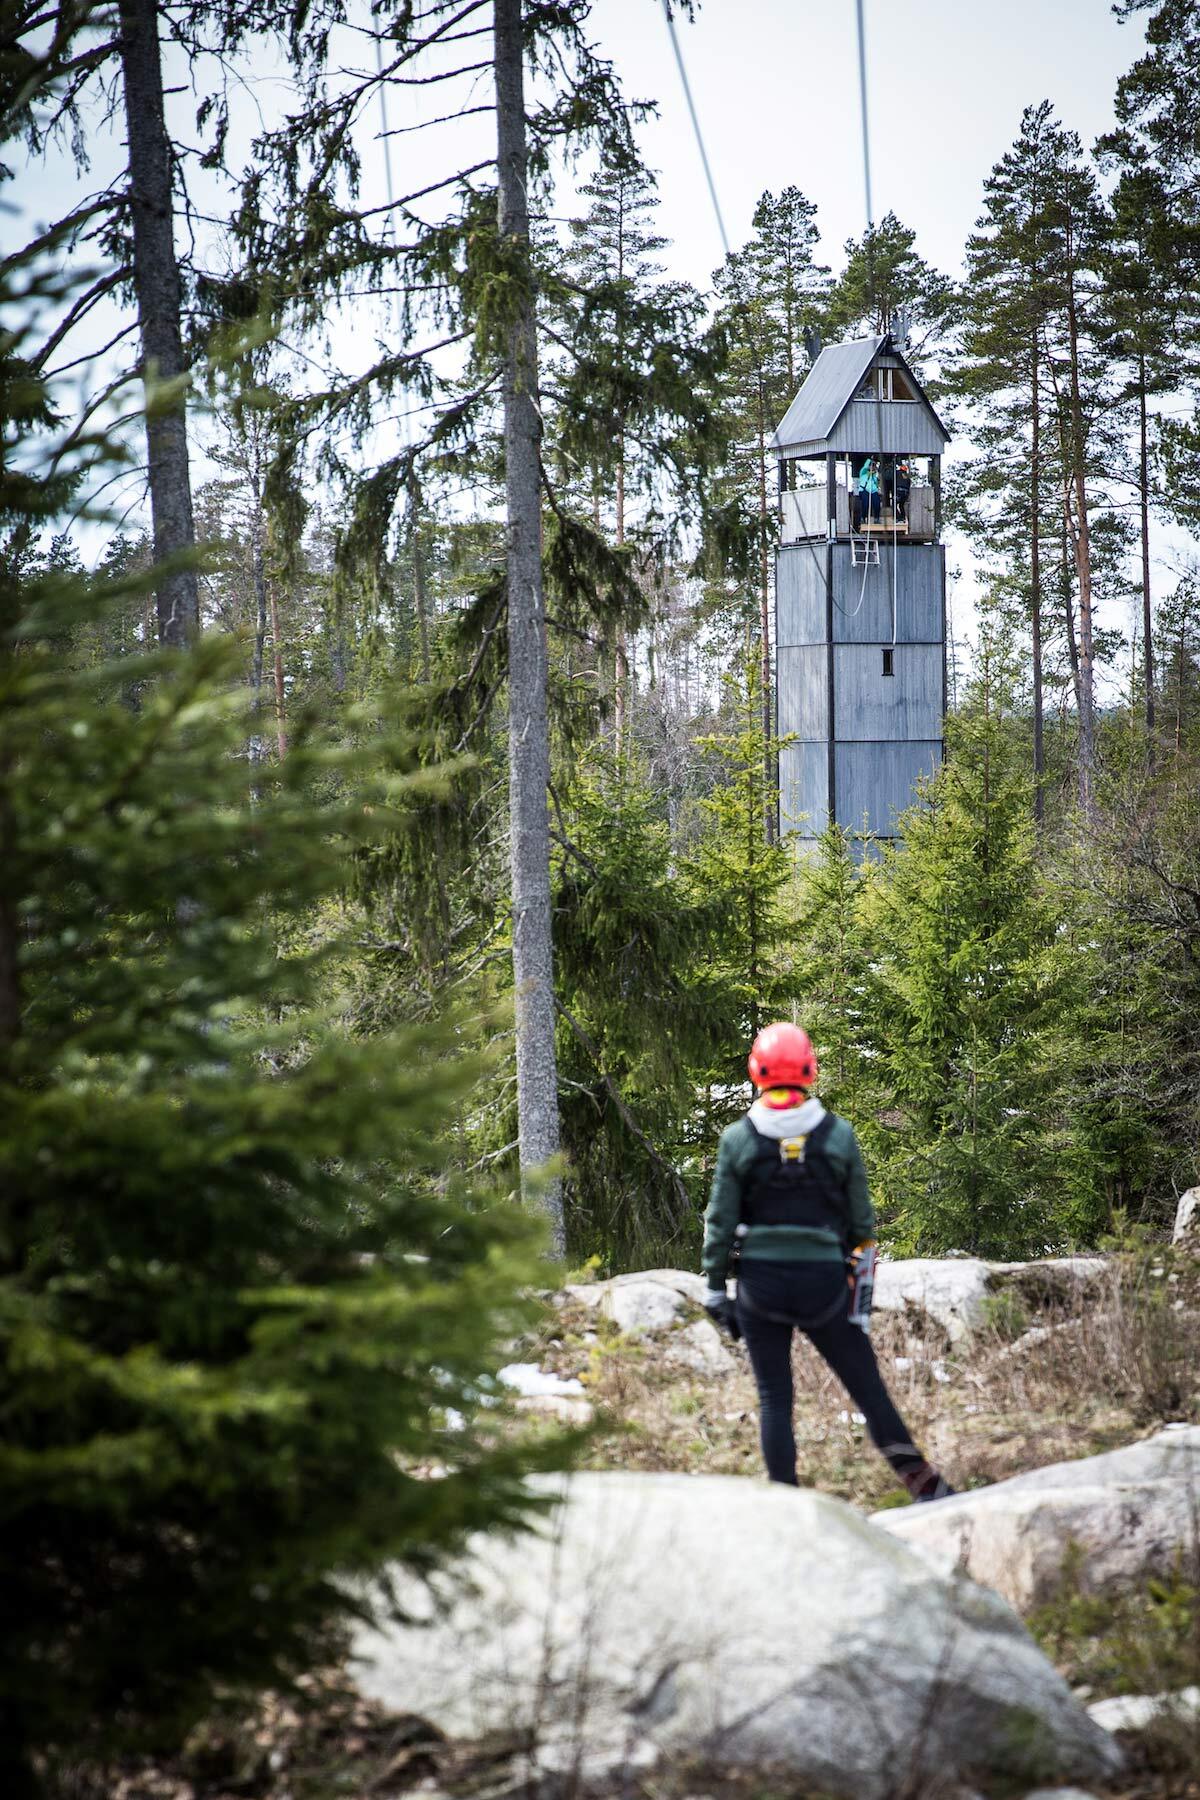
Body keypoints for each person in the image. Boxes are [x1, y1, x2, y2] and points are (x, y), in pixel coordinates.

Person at [701, 1021, 955, 1501]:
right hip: (824, 1285)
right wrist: (858, 1294)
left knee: (775, 1399)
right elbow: (861, 1224)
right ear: (808, 1072)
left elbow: (719, 1221)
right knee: (869, 1392)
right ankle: (927, 1489)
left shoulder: (737, 1139)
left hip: (760, 1287)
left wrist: (716, 1288)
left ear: (757, 1072)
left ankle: (786, 1506)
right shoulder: (839, 1136)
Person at [855, 456, 881, 529]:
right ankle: (863, 518)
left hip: (873, 491)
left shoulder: (874, 475)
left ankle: (876, 518)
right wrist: (870, 459)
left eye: (873, 466)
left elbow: (876, 483)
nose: (872, 467)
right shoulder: (863, 472)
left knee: (877, 503)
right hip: (864, 490)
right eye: (871, 466)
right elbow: (865, 466)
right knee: (865, 504)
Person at [894, 457, 912, 524]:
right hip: (905, 493)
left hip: (899, 492)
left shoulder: (897, 473)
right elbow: (908, 486)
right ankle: (903, 518)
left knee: (894, 505)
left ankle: (898, 518)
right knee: (901, 505)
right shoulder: (907, 477)